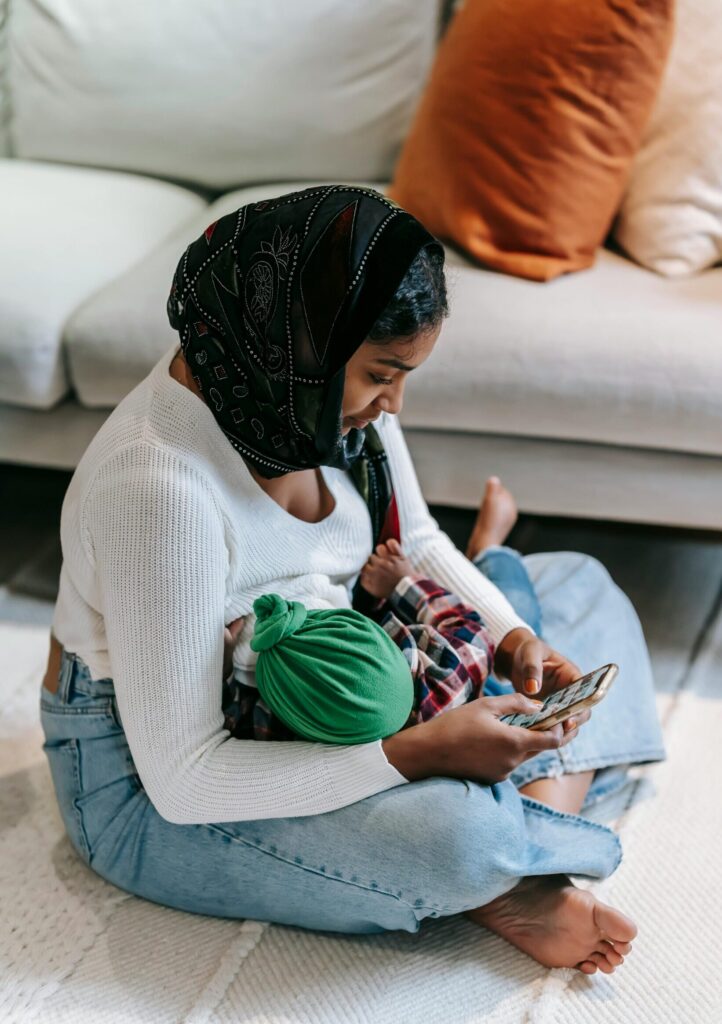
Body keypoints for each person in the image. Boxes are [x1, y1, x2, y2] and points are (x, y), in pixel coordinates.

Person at [40, 186, 666, 977]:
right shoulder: (158, 488)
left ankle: (521, 853)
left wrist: (509, 635)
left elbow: (419, 538)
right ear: (297, 342)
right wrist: (411, 756)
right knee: (453, 837)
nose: (394, 403)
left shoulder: (303, 394)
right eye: (382, 375)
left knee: (581, 584)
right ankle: (505, 856)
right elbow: (187, 780)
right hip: (150, 783)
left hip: (349, 669)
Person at [223, 522, 547, 745]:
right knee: (550, 590)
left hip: (472, 694)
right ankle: (491, 549)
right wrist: (402, 583)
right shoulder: (452, 673)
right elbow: (467, 623)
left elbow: (239, 721)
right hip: (473, 693)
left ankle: (488, 549)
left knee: (522, 618)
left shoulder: (284, 727)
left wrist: (224, 668)